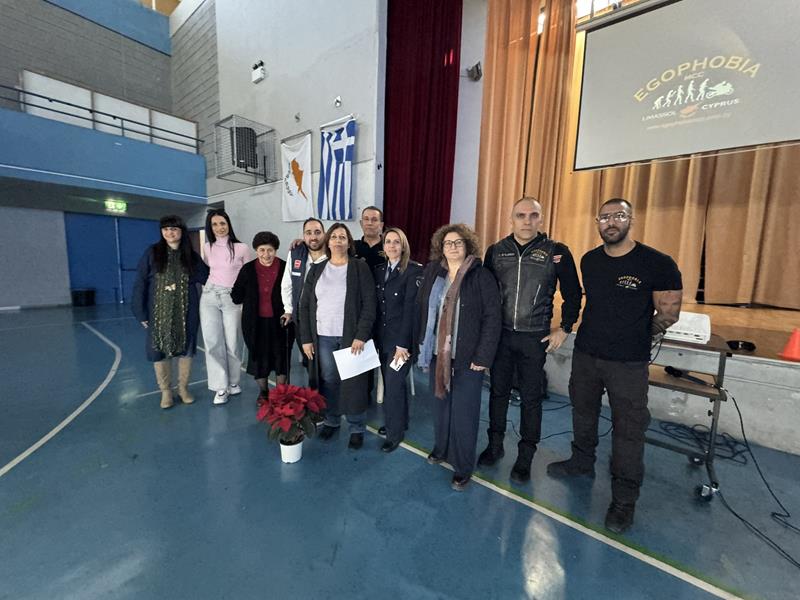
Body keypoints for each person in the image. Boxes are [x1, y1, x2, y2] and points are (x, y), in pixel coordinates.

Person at [547, 198, 682, 534]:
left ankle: (624, 499)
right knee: (582, 412)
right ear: (597, 222)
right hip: (587, 355)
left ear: (630, 220)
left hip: (628, 363)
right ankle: (582, 461)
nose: (611, 222)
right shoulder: (590, 260)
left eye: (619, 216)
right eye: (604, 217)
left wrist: (638, 334)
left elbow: (669, 313)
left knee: (629, 430)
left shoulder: (658, 263)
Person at [477, 197, 582, 482]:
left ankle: (525, 456)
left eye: (533, 215)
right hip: (501, 336)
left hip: (534, 338)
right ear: (511, 219)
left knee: (531, 399)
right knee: (497, 393)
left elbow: (573, 293)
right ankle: (495, 446)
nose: (527, 221)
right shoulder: (496, 251)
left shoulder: (556, 252)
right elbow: (486, 296)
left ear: (541, 218)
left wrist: (565, 327)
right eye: (521, 215)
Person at [416, 224, 501, 490]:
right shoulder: (434, 272)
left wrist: (483, 356)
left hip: (467, 358)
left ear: (468, 246)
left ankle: (463, 467)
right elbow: (423, 309)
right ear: (441, 247)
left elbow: (492, 318)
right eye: (448, 243)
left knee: (464, 415)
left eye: (458, 242)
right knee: (440, 408)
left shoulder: (481, 276)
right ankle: (441, 449)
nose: (452, 247)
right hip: (437, 355)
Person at [298, 223, 376, 449]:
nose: (338, 241)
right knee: (329, 380)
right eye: (334, 237)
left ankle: (356, 427)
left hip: (352, 338)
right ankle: (331, 421)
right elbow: (305, 305)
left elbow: (369, 304)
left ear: (349, 242)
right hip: (323, 336)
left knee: (354, 382)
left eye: (343, 237)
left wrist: (361, 335)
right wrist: (306, 339)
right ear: (328, 241)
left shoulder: (359, 267)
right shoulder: (317, 269)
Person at [132, 215, 209, 409]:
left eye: (174, 229)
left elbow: (207, 276)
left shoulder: (191, 256)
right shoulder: (152, 253)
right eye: (166, 229)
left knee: (186, 349)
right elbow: (140, 282)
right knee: (159, 349)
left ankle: (183, 388)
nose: (170, 232)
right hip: (158, 312)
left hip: (187, 311)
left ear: (181, 231)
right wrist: (140, 312)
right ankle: (166, 391)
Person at [373, 227, 423, 453]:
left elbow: (412, 311)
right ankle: (398, 422)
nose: (392, 246)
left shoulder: (413, 271)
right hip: (383, 339)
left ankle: (395, 434)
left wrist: (402, 344)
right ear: (383, 246)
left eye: (396, 242)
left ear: (403, 246)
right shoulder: (379, 270)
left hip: (401, 344)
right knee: (391, 383)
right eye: (388, 242)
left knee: (393, 385)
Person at [231, 232, 291, 400]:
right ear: (256, 251)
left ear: (276, 250)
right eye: (262, 250)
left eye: (270, 250)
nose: (266, 254)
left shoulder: (285, 267)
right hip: (254, 323)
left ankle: (280, 394)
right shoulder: (247, 269)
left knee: (281, 357)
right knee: (259, 358)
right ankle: (263, 393)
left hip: (281, 322)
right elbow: (236, 296)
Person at [200, 209, 250, 405]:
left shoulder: (241, 248)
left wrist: (245, 300)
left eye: (222, 223)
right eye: (215, 224)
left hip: (232, 298)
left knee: (233, 342)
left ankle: (234, 381)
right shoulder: (207, 247)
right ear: (210, 227)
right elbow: (209, 270)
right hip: (209, 296)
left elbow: (247, 275)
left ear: (228, 224)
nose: (219, 228)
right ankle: (220, 386)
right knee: (212, 342)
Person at [280, 217, 327, 372]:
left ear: (325, 234)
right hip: (302, 317)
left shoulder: (333, 252)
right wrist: (288, 310)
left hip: (325, 317)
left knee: (326, 361)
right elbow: (287, 283)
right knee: (309, 360)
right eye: (308, 233)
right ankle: (313, 386)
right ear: (303, 235)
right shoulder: (296, 253)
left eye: (317, 232)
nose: (313, 237)